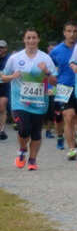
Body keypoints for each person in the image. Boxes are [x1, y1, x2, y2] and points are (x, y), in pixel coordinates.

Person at [3, 28, 57, 170]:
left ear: (39, 39)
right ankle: (22, 149)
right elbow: (3, 77)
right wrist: (11, 76)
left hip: (39, 102)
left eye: (34, 38)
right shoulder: (15, 58)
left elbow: (54, 81)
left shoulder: (45, 58)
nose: (31, 40)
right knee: (24, 129)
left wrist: (46, 71)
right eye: (28, 38)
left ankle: (32, 159)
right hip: (20, 102)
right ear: (24, 40)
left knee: (36, 133)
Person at [48, 22, 77, 155]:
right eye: (69, 31)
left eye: (74, 31)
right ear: (64, 33)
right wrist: (50, 86)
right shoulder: (56, 51)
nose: (72, 34)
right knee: (68, 116)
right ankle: (72, 149)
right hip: (63, 86)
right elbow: (50, 70)